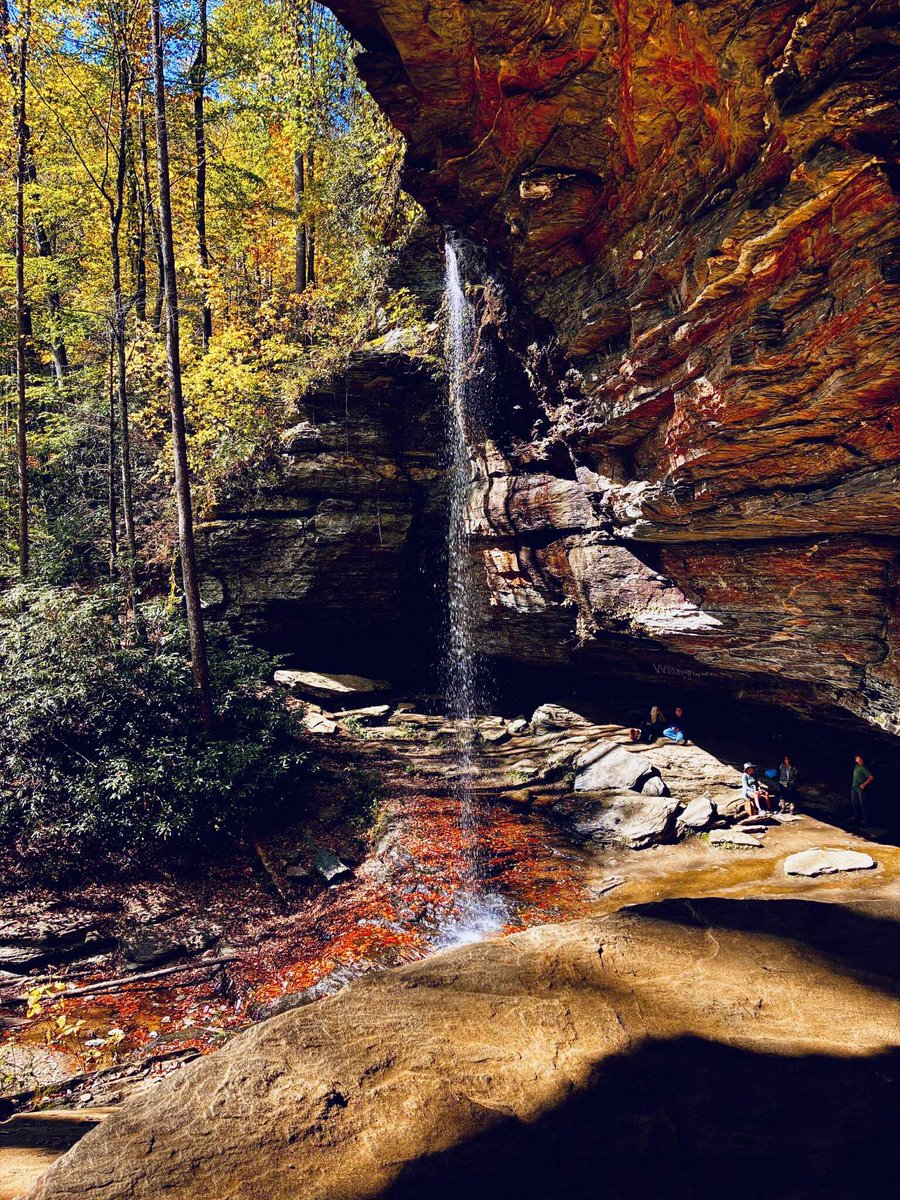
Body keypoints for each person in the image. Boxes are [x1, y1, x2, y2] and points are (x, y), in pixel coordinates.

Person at [850, 754, 874, 829]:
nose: (859, 760)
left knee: (863, 803)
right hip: (854, 787)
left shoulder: (863, 767)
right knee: (854, 801)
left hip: (860, 788)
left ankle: (865, 820)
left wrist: (863, 784)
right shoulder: (856, 765)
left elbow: (871, 777)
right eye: (857, 759)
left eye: (860, 759)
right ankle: (857, 816)